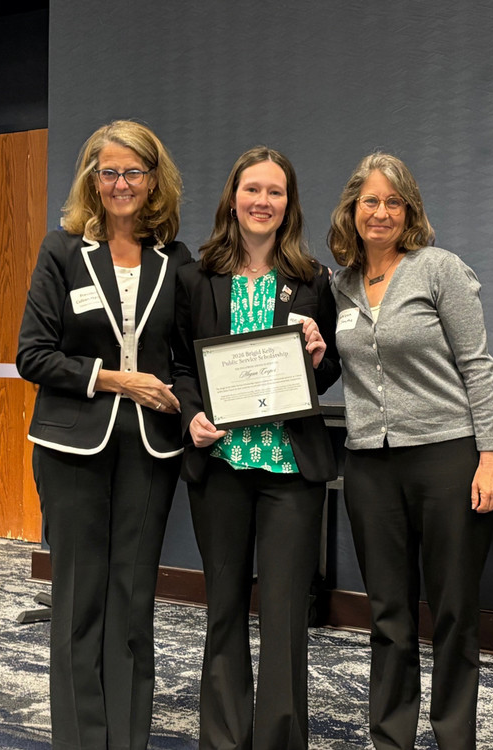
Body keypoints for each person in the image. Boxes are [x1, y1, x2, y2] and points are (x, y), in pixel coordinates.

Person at [16, 120, 192, 750]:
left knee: (133, 598)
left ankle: (127, 738)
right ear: (92, 179)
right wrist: (119, 381)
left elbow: (189, 358)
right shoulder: (61, 251)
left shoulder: (178, 261)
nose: (120, 183)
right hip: (72, 449)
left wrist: (188, 400)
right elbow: (32, 355)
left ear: (154, 180)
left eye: (133, 172)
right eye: (108, 171)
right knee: (78, 599)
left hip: (151, 450)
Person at [328, 152, 493, 750]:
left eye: (392, 202)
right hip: (369, 464)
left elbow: (476, 366)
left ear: (410, 211)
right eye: (369, 201)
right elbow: (330, 368)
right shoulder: (340, 285)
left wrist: (490, 455)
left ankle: (455, 736)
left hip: (447, 457)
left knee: (454, 612)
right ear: (352, 209)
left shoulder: (438, 269)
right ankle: (391, 737)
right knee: (387, 612)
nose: (380, 213)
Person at [172, 146, 340, 750]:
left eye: (275, 191)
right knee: (222, 611)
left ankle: (280, 739)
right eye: (252, 190)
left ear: (288, 203)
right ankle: (222, 740)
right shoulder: (196, 275)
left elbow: (324, 373)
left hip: (289, 469)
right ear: (233, 197)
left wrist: (318, 357)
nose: (262, 201)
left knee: (286, 618)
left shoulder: (312, 279)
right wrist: (190, 415)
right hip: (220, 464)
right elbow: (178, 363)